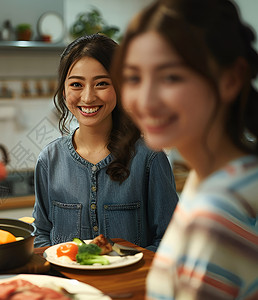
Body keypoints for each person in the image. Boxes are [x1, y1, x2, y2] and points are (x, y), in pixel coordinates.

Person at [112, 0, 258, 298]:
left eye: (171, 77)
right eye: (134, 78)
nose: (146, 100)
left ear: (230, 79)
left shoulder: (215, 216)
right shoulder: (225, 176)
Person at [32, 33, 179, 251]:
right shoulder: (49, 159)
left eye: (101, 83)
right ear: (64, 91)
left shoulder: (149, 158)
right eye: (76, 84)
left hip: (130, 284)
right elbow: (41, 234)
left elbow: (170, 243)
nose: (88, 97)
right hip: (67, 285)